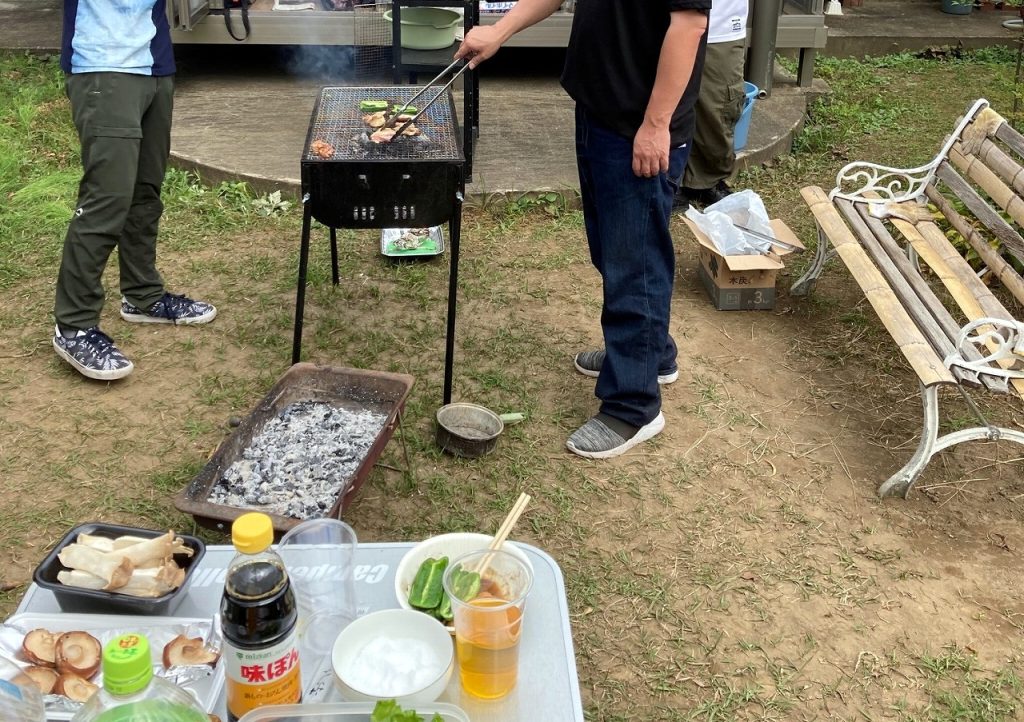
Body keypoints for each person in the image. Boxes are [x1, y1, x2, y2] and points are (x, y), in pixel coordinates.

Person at [456, 0, 710, 459]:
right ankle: (649, 356)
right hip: (599, 109)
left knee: (634, 264)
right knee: (615, 251)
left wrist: (656, 125)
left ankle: (634, 406)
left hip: (639, 126)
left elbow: (689, 24)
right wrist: (500, 30)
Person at [53, 0, 217, 381]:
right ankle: (73, 325)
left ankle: (142, 295)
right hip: (103, 64)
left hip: (154, 62)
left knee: (145, 193)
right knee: (106, 200)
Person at [677, 0, 749, 208]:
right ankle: (666, 181)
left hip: (721, 26)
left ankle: (705, 180)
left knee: (716, 106)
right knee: (658, 102)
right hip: (657, 21)